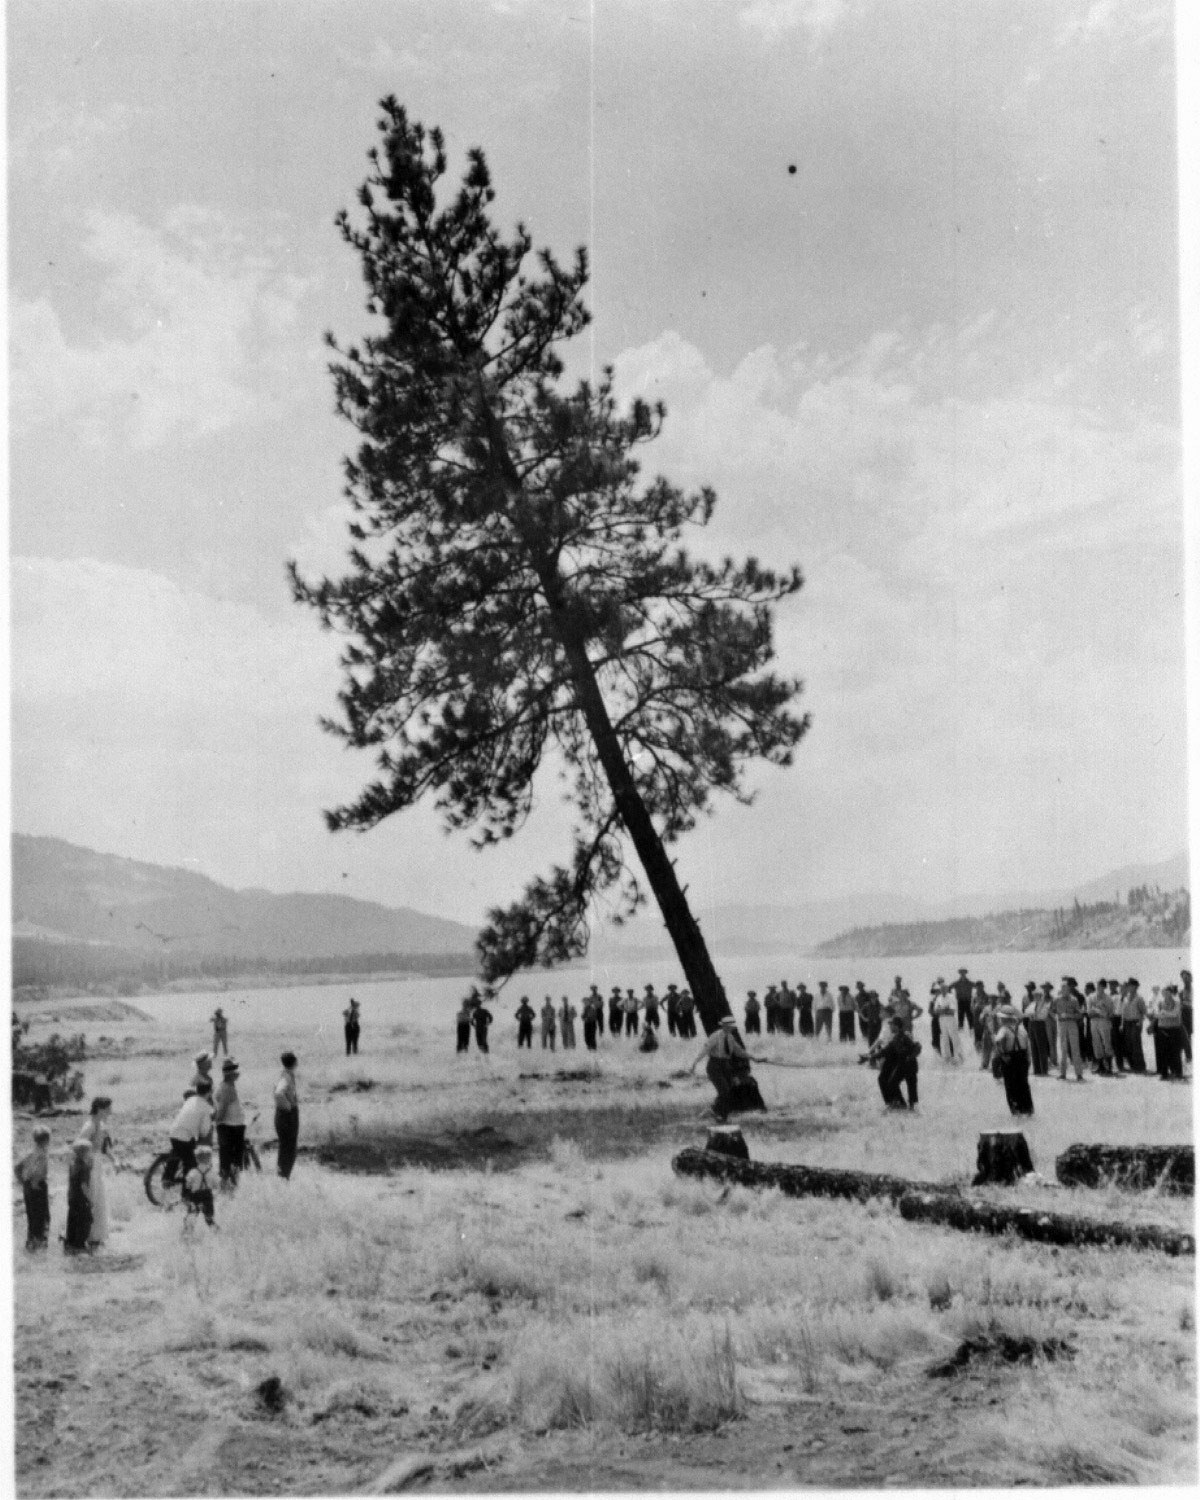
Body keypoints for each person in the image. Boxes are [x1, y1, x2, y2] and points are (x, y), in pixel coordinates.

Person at [688, 1016, 766, 1122]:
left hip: (726, 1066)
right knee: (724, 1091)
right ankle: (721, 1116)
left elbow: (739, 1051)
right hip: (714, 1066)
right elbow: (705, 1050)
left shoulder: (730, 1038)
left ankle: (714, 1110)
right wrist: (695, 1063)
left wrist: (754, 1058)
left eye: (731, 1027)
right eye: (728, 1026)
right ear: (723, 1026)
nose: (730, 1028)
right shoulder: (715, 1036)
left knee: (729, 1090)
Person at [74, 1097, 114, 1247]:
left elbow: (103, 1148)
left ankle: (97, 1235)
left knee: (100, 1197)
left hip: (97, 1163)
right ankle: (90, 1234)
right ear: (100, 1109)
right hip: (90, 1164)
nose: (110, 1111)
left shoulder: (100, 1124)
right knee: (92, 1196)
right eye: (108, 1108)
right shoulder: (90, 1125)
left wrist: (113, 1159)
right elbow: (79, 1145)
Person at [164, 1079, 214, 1187]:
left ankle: (167, 1177)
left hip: (173, 1132)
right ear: (209, 1092)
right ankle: (187, 1193)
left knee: (178, 1151)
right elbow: (204, 1132)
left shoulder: (190, 1099)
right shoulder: (206, 1107)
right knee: (191, 1164)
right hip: (184, 1137)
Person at [866, 1018, 920, 1110]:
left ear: (896, 1026)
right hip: (903, 1065)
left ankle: (906, 1106)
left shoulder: (905, 1036)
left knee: (909, 1084)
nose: (890, 1026)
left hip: (909, 1065)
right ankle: (900, 1104)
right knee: (893, 1083)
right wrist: (869, 1057)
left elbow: (917, 1047)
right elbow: (885, 1051)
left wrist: (910, 1057)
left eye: (891, 1025)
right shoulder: (896, 1038)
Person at [15, 1126, 52, 1250]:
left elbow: (17, 1167)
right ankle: (40, 1245)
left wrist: (23, 1181)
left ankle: (31, 1243)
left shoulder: (30, 1152)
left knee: (32, 1217)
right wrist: (35, 1181)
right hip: (37, 1186)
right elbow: (39, 1170)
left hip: (27, 1187)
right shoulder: (42, 1154)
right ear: (46, 1140)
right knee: (43, 1217)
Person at [993, 1006, 1034, 1115]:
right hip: (1022, 1057)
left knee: (1011, 1085)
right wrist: (1028, 1060)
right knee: (1024, 1085)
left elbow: (997, 1042)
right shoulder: (1021, 1028)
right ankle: (1028, 1109)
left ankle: (1015, 1110)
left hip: (1010, 1058)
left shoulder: (1003, 1029)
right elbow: (1027, 1045)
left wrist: (1002, 1055)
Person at [212, 1059, 246, 1185]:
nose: (237, 1073)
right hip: (231, 1126)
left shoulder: (226, 1086)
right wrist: (216, 1120)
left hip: (231, 1125)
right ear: (230, 1074)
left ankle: (228, 1182)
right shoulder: (227, 1088)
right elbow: (222, 1111)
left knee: (227, 1156)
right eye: (234, 1070)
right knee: (233, 1158)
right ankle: (228, 1184)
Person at [1054, 978, 1087, 1082]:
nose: (1064, 990)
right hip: (1062, 1024)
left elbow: (1079, 1014)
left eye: (1066, 988)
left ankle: (1079, 1074)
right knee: (1063, 1049)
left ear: (1069, 989)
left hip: (1072, 1024)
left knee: (1075, 1049)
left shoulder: (1074, 1000)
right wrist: (1058, 1016)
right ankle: (1062, 1073)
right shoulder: (1057, 1000)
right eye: (1062, 988)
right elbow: (1051, 1011)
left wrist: (1070, 1015)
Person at [63, 1141, 93, 1253]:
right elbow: (84, 1185)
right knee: (86, 1219)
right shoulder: (84, 1167)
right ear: (84, 1153)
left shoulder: (73, 1164)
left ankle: (70, 1242)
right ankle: (80, 1244)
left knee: (72, 1219)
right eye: (89, 1152)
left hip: (72, 1196)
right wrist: (90, 1199)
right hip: (81, 1198)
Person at [274, 1052, 300, 1179]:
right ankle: (283, 1177)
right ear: (294, 1062)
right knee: (288, 1149)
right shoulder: (286, 1077)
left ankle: (283, 1177)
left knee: (287, 1148)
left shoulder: (286, 1074)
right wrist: (288, 1107)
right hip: (287, 1116)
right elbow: (279, 1093)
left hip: (284, 1115)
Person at [1154, 985, 1186, 1080]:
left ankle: (1178, 1073)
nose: (1166, 994)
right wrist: (1164, 1014)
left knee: (1175, 1051)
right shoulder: (1160, 1002)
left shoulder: (1177, 1002)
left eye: (1168, 992)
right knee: (1163, 1052)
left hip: (1174, 1029)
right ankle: (1164, 1074)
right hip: (1162, 1029)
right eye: (1164, 992)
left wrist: (1163, 1013)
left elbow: (1175, 1014)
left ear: (1171, 993)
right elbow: (1156, 1014)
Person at [184, 1145, 218, 1227]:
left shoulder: (193, 1172)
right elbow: (216, 1185)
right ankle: (217, 1233)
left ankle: (187, 1234)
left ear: (196, 1159)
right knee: (209, 1219)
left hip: (195, 1196)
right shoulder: (212, 1173)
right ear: (209, 1159)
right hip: (207, 1197)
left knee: (191, 1216)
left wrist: (187, 1193)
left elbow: (188, 1184)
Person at [1022, 981, 1051, 1077]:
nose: (1036, 996)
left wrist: (1033, 1014)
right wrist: (1032, 1014)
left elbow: (1043, 1015)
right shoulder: (1032, 1004)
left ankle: (1044, 1069)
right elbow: (1026, 1013)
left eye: (1038, 995)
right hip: (1032, 1024)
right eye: (1035, 995)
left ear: (1041, 995)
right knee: (1033, 1047)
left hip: (1040, 1024)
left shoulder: (1045, 1004)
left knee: (1041, 1047)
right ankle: (1036, 1069)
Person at [1088, 981, 1116, 1076]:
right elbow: (1089, 1011)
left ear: (1104, 987)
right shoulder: (1091, 997)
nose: (1099, 988)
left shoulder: (1108, 998)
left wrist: (1104, 1013)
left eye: (1101, 986)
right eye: (1098, 986)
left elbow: (1111, 1012)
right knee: (1096, 1043)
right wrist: (1097, 1011)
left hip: (1104, 1021)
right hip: (1094, 1021)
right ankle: (1100, 1065)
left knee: (1106, 1043)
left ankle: (1109, 1066)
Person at [1120, 978, 1147, 1074]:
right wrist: (1122, 1024)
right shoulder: (1126, 998)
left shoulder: (1139, 998)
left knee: (1136, 1044)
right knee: (1128, 1044)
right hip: (1127, 1022)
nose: (1130, 987)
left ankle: (1140, 1066)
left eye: (1131, 985)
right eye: (1129, 985)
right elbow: (1123, 1012)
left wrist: (1140, 1021)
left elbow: (1143, 1011)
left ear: (1136, 987)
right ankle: (1132, 1065)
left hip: (1136, 1022)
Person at [933, 983, 960, 1063]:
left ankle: (957, 1056)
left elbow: (952, 1010)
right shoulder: (939, 998)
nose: (943, 990)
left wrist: (942, 1010)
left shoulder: (951, 997)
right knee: (944, 1038)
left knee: (954, 1037)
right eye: (941, 989)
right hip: (942, 1019)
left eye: (944, 989)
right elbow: (936, 1010)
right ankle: (947, 1057)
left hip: (950, 1019)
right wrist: (945, 1009)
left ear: (947, 989)